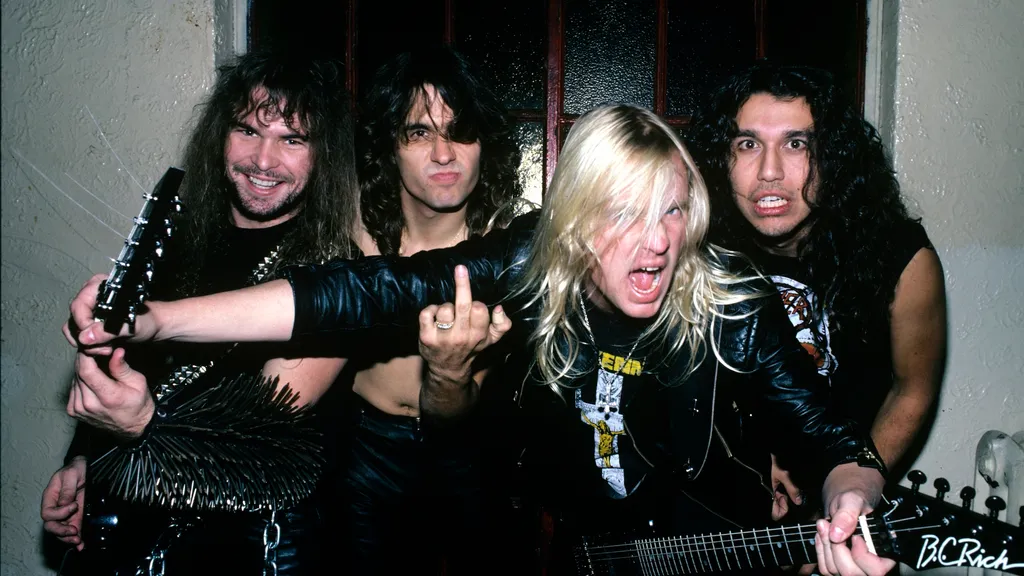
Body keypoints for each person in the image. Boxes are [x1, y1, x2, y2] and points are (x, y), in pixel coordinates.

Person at [68, 103, 896, 576]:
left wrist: (850, 500)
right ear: (577, 222)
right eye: (625, 213)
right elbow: (360, 293)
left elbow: (839, 446)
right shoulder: (534, 259)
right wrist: (160, 319)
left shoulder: (733, 301)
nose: (656, 242)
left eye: (672, 210)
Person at [41, 51, 359, 575]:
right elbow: (133, 367)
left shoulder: (334, 274)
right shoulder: (177, 234)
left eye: (293, 140)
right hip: (135, 522)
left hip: (246, 545)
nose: (263, 160)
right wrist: (85, 461)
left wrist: (140, 428)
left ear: (324, 155)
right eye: (247, 131)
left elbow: (258, 443)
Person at [688, 63, 946, 520]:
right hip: (730, 505)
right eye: (748, 144)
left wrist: (851, 491)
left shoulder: (900, 258)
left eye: (796, 143)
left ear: (832, 156)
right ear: (720, 160)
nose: (769, 172)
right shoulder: (698, 253)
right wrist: (753, 455)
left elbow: (912, 390)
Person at [317, 45, 524, 574]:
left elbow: (463, 404)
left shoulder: (508, 247)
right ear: (389, 146)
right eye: (418, 133)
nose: (443, 154)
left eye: (460, 132)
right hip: (363, 450)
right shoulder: (349, 230)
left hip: (472, 452)